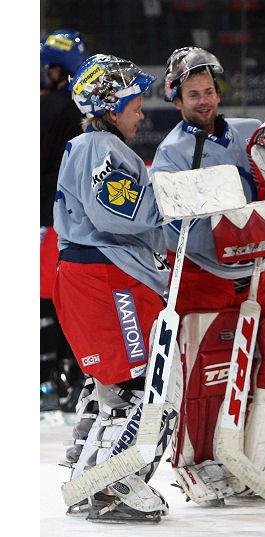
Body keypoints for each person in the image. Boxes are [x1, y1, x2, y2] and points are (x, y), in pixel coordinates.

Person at [150, 47, 265, 506]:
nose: (204, 100)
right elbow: (172, 227)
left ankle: (255, 455)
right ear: (176, 100)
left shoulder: (246, 132)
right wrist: (235, 234)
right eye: (193, 93)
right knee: (204, 373)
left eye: (209, 91)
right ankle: (193, 462)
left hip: (257, 274)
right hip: (203, 277)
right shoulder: (171, 154)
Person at [53, 53, 184, 523]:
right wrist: (177, 196)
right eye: (134, 103)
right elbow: (119, 213)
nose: (141, 112)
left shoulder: (97, 146)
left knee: (124, 386)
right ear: (110, 105)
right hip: (107, 277)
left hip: (106, 275)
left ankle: (94, 475)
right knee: (141, 389)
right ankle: (110, 486)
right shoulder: (97, 148)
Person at [40, 29, 89, 414]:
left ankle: (50, 380)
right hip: (68, 220)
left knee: (46, 303)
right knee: (63, 302)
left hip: (46, 220)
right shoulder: (79, 110)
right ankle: (70, 379)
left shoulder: (49, 108)